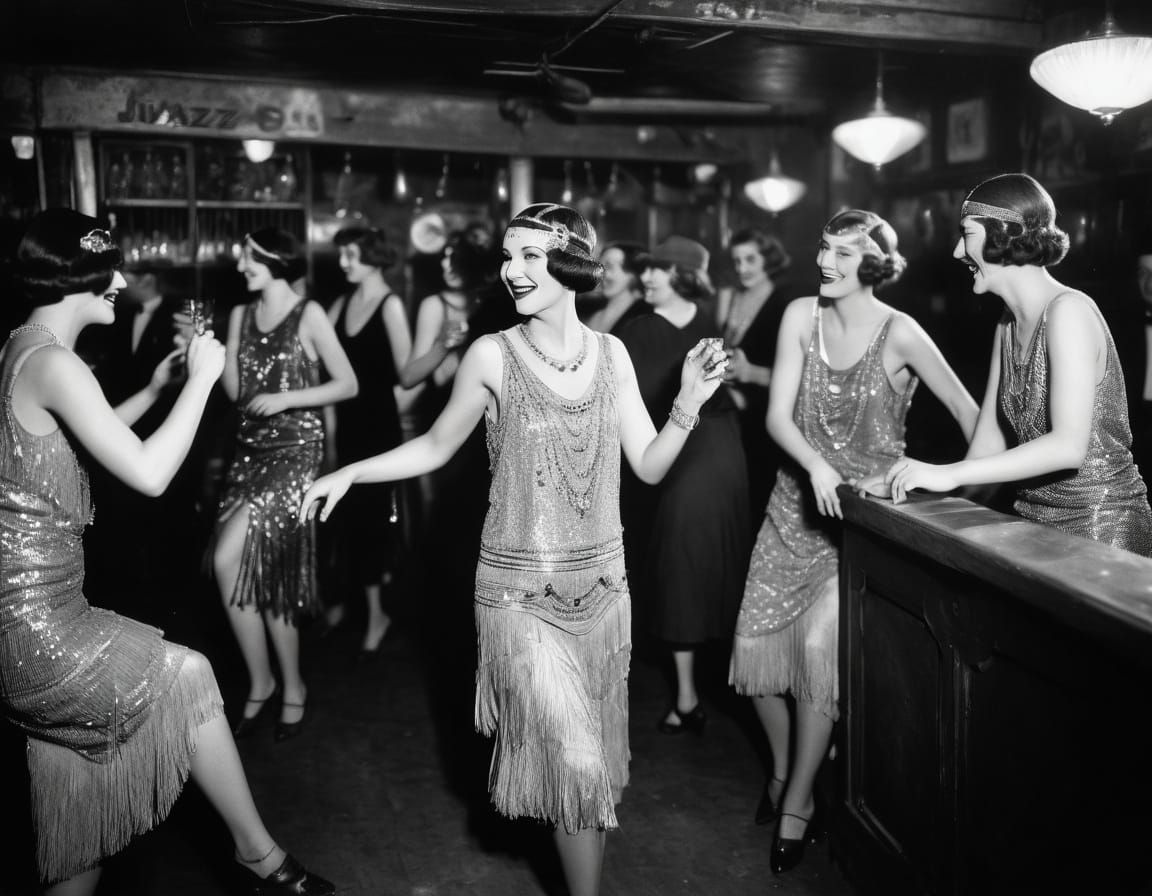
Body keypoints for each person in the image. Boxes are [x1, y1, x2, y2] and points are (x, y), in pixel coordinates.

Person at [300, 203, 730, 896]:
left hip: (602, 594)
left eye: (530, 255)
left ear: (570, 263)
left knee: (589, 772)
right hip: (518, 597)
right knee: (577, 764)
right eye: (508, 256)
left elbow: (649, 466)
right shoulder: (491, 355)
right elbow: (434, 445)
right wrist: (352, 471)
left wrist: (689, 402)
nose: (512, 270)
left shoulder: (612, 354)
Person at [0, 208, 334, 895]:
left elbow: (78, 442)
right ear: (78, 275)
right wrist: (204, 378)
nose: (123, 282)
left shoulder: (22, 346)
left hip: (25, 615)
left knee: (82, 835)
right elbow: (149, 474)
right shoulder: (56, 362)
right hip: (39, 627)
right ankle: (258, 856)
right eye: (110, 269)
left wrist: (156, 389)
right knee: (190, 675)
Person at [729, 209, 978, 874]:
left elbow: (973, 417)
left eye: (843, 252)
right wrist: (815, 466)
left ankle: (798, 801)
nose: (825, 262)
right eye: (823, 248)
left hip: (862, 529)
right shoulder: (799, 316)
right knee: (752, 659)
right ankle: (786, 771)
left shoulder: (902, 332)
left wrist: (952, 492)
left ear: (873, 262)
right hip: (791, 511)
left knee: (818, 663)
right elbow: (777, 416)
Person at [884, 174, 1152, 556]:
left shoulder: (1068, 311)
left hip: (1101, 527)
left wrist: (947, 474)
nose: (958, 252)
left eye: (967, 234)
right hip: (1033, 525)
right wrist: (905, 487)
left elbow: (1068, 447)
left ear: (1004, 233)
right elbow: (986, 447)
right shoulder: (1005, 325)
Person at [213, 228, 358, 742]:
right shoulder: (239, 314)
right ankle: (268, 682)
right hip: (248, 453)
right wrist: (213, 355)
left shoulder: (308, 314)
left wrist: (287, 398)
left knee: (227, 559)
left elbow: (348, 383)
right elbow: (237, 393)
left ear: (276, 259)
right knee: (252, 573)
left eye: (249, 258)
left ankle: (287, 683)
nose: (241, 266)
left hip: (296, 452)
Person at [616, 235, 750, 734]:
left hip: (709, 449)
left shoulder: (706, 323)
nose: (647, 276)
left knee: (698, 559)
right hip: (675, 447)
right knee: (684, 559)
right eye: (646, 268)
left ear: (685, 275)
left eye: (660, 268)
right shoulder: (640, 328)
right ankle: (692, 694)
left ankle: (704, 692)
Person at [321, 224, 413, 660]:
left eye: (351, 255)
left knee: (372, 520)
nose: (343, 263)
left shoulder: (390, 305)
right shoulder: (339, 305)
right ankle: (349, 601)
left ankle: (377, 615)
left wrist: (444, 347)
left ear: (374, 257)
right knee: (344, 519)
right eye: (341, 254)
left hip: (379, 428)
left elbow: (407, 374)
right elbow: (324, 370)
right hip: (346, 425)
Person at [716, 229, 798, 526]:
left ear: (768, 259)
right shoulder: (733, 296)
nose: (742, 268)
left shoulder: (785, 303)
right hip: (735, 419)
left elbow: (800, 376)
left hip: (768, 422)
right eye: (737, 261)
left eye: (750, 259)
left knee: (759, 506)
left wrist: (749, 372)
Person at [585, 241, 647, 334]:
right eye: (600, 266)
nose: (601, 274)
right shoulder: (593, 311)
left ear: (632, 274)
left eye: (609, 266)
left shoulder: (643, 316)